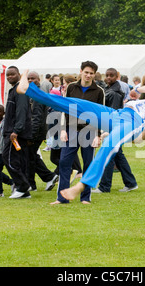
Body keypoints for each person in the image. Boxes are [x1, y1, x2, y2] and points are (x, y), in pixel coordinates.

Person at [16, 69, 145, 202]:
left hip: (129, 120)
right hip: (121, 116)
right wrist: (112, 133)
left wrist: (139, 89)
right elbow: (139, 138)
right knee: (76, 104)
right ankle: (28, 89)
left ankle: (82, 185)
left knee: (105, 144)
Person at [50, 61, 105, 205]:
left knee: (88, 165)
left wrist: (98, 136)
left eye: (91, 73)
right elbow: (65, 109)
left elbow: (101, 115)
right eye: (86, 72)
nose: (88, 75)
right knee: (64, 162)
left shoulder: (99, 91)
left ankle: (85, 198)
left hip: (90, 131)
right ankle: (62, 198)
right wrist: (63, 130)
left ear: (94, 75)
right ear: (81, 71)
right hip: (71, 130)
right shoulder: (71, 88)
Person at [93, 68, 138, 194]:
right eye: (107, 75)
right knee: (118, 156)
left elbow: (113, 113)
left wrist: (108, 130)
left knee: (110, 155)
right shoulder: (109, 89)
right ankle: (131, 183)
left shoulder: (114, 93)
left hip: (113, 126)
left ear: (117, 76)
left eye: (111, 76)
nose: (108, 78)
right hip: (112, 126)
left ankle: (104, 186)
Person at [2, 66, 33, 199]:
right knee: (18, 160)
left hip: (16, 133)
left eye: (12, 74)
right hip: (14, 130)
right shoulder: (13, 90)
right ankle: (23, 190)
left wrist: (16, 130)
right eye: (7, 75)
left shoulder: (20, 90)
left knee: (8, 158)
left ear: (19, 75)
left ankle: (22, 186)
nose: (9, 77)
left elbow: (21, 111)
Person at [26, 71, 59, 191]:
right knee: (31, 156)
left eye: (32, 78)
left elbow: (37, 116)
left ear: (38, 79)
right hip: (37, 131)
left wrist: (32, 135)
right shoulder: (33, 92)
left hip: (37, 132)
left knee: (30, 156)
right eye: (28, 78)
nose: (30, 80)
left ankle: (47, 177)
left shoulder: (37, 95)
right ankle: (37, 181)